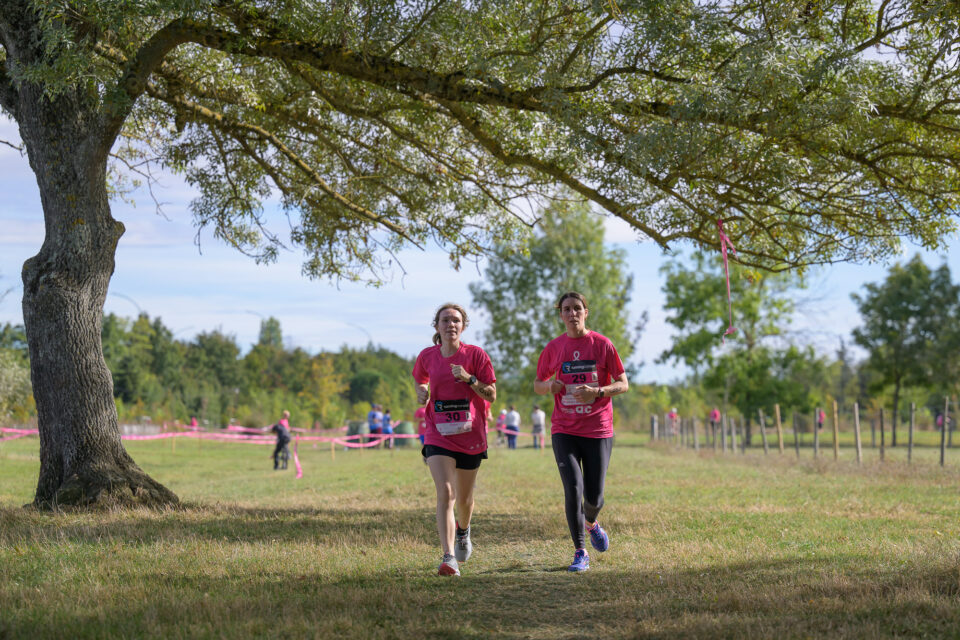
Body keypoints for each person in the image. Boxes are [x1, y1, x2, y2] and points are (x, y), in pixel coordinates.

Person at [534, 292, 628, 572]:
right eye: (566, 309)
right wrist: (550, 386)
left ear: (586, 312)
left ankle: (591, 523)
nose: (572, 313)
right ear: (561, 315)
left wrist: (597, 392)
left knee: (594, 498)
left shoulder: (602, 345)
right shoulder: (554, 348)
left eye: (577, 308)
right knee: (573, 489)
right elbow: (538, 384)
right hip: (564, 429)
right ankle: (580, 551)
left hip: (598, 429)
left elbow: (623, 383)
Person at [413, 303, 496, 577]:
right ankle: (449, 557)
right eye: (445, 320)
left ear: (463, 326)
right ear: (437, 326)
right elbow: (420, 379)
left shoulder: (476, 355)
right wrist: (421, 391)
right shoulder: (427, 356)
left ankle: (463, 530)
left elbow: (491, 394)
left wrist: (470, 379)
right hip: (438, 433)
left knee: (465, 499)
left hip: (471, 434)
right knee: (446, 493)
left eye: (456, 320)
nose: (451, 324)